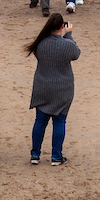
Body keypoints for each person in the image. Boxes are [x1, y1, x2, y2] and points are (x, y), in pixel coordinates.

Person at [26, 12, 80, 167]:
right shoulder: (66, 44)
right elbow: (76, 54)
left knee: (40, 121)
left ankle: (35, 154)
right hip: (62, 89)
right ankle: (56, 156)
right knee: (59, 122)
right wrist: (69, 35)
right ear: (62, 26)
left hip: (42, 86)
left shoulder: (40, 44)